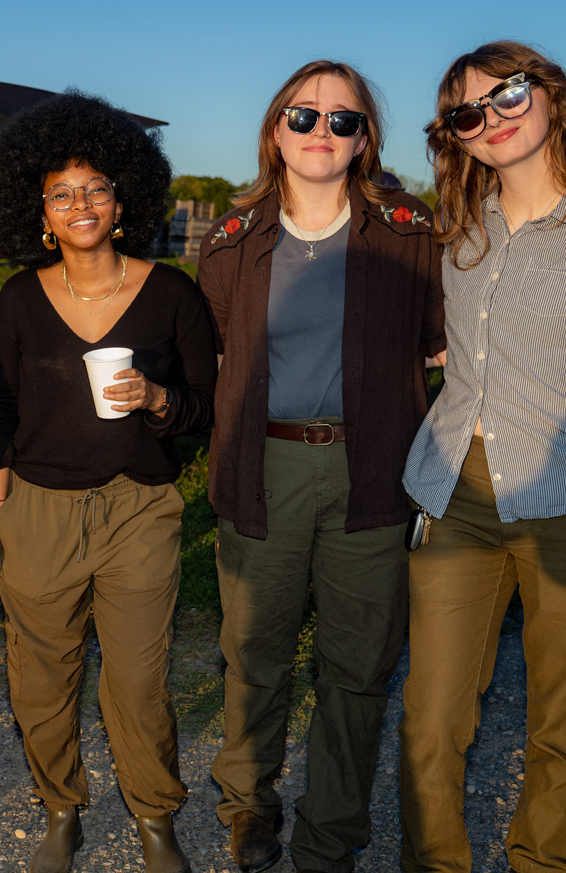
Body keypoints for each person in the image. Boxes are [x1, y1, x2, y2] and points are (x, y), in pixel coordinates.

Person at [400, 41, 566, 873]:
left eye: (509, 94)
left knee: (563, 726)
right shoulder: (459, 227)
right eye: (467, 113)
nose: (492, 119)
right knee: (430, 723)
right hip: (456, 499)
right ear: (456, 136)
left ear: (551, 94)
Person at [195, 60, 444, 873]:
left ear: (366, 137)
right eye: (303, 117)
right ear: (276, 131)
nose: (321, 133)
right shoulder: (232, 242)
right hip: (262, 465)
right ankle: (248, 805)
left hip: (372, 469)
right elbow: (218, 353)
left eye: (343, 120)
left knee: (357, 665)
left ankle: (332, 830)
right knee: (254, 653)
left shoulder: (411, 234)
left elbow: (438, 346)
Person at [0, 90, 218, 873]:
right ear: (40, 211)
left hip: (137, 507)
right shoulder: (17, 299)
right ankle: (60, 809)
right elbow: (1, 403)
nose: (81, 203)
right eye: (62, 192)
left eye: (97, 188)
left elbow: (203, 411)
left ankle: (155, 817)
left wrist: (155, 399)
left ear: (123, 201)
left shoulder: (172, 294)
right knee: (42, 678)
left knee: (139, 679)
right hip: (39, 509)